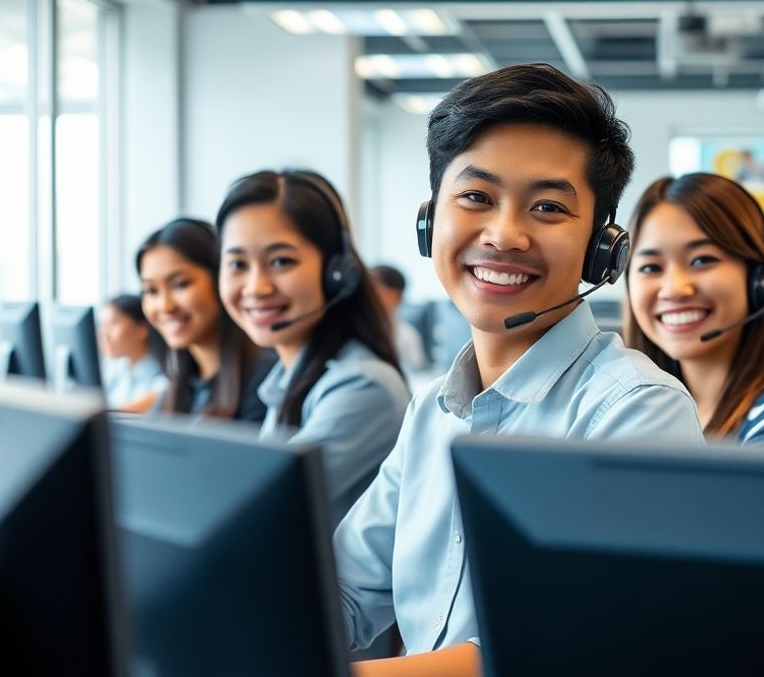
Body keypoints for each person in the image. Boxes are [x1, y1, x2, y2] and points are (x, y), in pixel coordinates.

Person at [334, 63, 703, 677]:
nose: (504, 235)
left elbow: (575, 648)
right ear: (431, 222)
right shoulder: (432, 412)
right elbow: (344, 594)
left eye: (548, 207)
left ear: (600, 249)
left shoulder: (638, 410)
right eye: (476, 197)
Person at [216, 169, 408, 523]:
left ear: (337, 272)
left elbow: (255, 511)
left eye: (281, 261)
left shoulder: (363, 386)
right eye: (237, 264)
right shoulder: (287, 377)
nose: (256, 287)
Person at [625, 173, 764, 446]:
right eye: (651, 267)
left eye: (702, 260)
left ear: (761, 280)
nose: (674, 288)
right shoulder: (637, 411)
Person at [137, 218, 276, 421]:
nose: (165, 306)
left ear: (221, 278)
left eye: (181, 284)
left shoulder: (266, 381)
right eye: (151, 290)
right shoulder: (178, 389)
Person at [98, 293, 167, 412]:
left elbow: (116, 417)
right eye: (103, 325)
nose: (104, 334)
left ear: (142, 329)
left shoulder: (162, 382)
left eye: (113, 324)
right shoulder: (113, 369)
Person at [368, 264, 430, 375]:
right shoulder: (359, 330)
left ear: (395, 295)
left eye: (374, 286)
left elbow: (418, 375)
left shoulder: (407, 336)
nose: (367, 293)